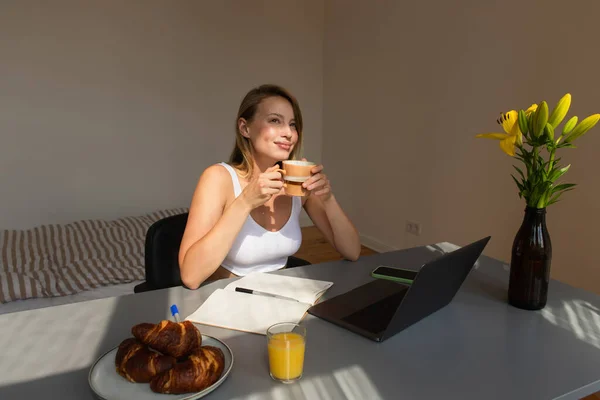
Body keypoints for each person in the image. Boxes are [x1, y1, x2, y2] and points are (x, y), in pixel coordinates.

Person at [178, 84, 361, 289]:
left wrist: (328, 199)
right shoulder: (218, 178)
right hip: (229, 300)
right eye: (275, 121)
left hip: (282, 296)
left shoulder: (296, 183)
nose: (288, 133)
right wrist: (245, 201)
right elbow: (190, 276)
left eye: (293, 124)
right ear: (245, 128)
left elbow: (352, 251)